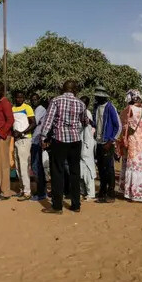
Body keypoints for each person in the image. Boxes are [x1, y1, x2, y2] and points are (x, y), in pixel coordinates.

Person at [40, 80, 89, 214]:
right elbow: (85, 121)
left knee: (57, 172)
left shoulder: (56, 101)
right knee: (75, 172)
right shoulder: (81, 103)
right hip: (75, 140)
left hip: (59, 139)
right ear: (75, 90)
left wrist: (43, 137)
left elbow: (48, 121)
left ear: (63, 89)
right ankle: (76, 204)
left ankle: (57, 206)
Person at [117, 90, 142, 202]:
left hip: (133, 140)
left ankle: (132, 194)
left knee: (132, 166)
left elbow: (122, 123)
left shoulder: (129, 109)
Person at [92, 86, 121, 203]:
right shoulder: (96, 107)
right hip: (99, 142)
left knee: (109, 169)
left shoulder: (110, 108)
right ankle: (102, 191)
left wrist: (111, 141)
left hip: (107, 143)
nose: (96, 98)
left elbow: (118, 126)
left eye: (97, 96)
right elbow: (96, 123)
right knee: (101, 168)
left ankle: (111, 193)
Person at [0, 82, 14, 200]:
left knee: (3, 165)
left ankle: (5, 192)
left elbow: (10, 120)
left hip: (2, 137)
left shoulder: (5, 103)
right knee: (0, 164)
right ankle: (2, 189)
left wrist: (0, 134)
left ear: (3, 91)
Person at [12, 90, 36, 200]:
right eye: (17, 97)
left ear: (24, 98)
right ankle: (22, 189)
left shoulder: (27, 108)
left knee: (24, 165)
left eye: (21, 97)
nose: (19, 99)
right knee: (17, 166)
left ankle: (27, 191)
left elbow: (33, 123)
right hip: (16, 140)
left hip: (25, 139)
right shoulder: (12, 108)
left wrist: (22, 133)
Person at [29, 93, 48, 201]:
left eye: (35, 99)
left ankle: (41, 193)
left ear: (39, 100)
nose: (34, 101)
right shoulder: (38, 109)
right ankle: (41, 191)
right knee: (37, 166)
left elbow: (33, 122)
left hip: (37, 141)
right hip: (36, 140)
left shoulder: (40, 109)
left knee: (36, 167)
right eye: (32, 99)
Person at [79, 96, 97, 201]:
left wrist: (85, 144)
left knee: (88, 168)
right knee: (81, 169)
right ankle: (83, 191)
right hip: (81, 144)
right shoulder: (80, 113)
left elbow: (87, 130)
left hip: (86, 144)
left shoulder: (87, 113)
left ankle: (91, 193)